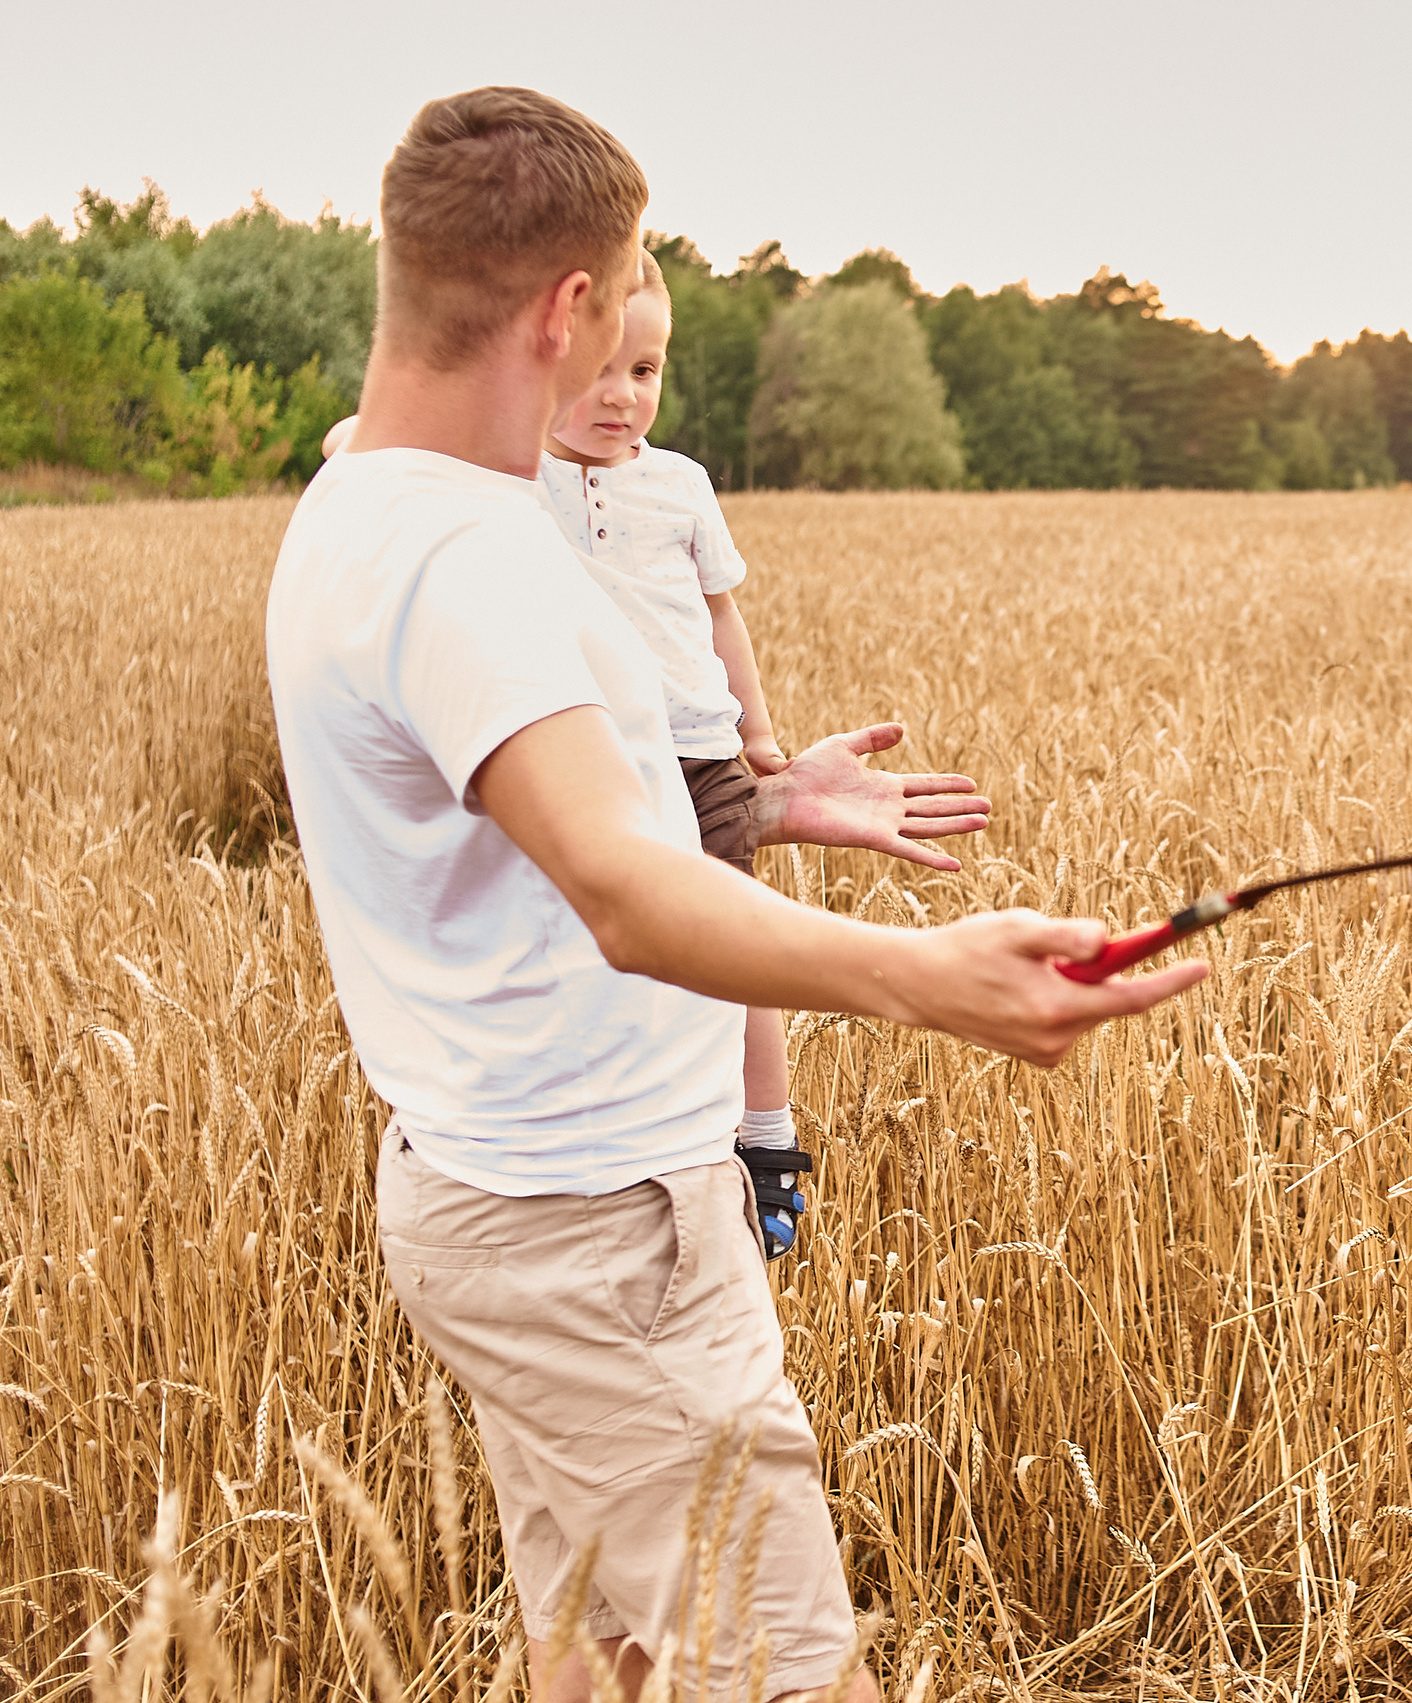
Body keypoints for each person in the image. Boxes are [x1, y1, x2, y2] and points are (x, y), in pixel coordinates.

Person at [268, 87, 1204, 1703]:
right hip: (599, 1230)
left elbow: (545, 824)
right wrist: (936, 976)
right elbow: (623, 890)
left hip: (500, 1197)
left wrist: (767, 799)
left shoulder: (362, 502)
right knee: (780, 1675)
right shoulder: (463, 563)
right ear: (572, 307)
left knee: (609, 1659)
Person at [532, 248, 992, 1255]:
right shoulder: (512, 478)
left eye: (646, 371)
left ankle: (764, 1138)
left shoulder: (682, 485)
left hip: (697, 757)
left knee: (739, 952)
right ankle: (610, 1144)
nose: (621, 395)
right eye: (600, 366)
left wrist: (758, 736)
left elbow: (720, 618)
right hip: (584, 761)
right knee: (597, 951)